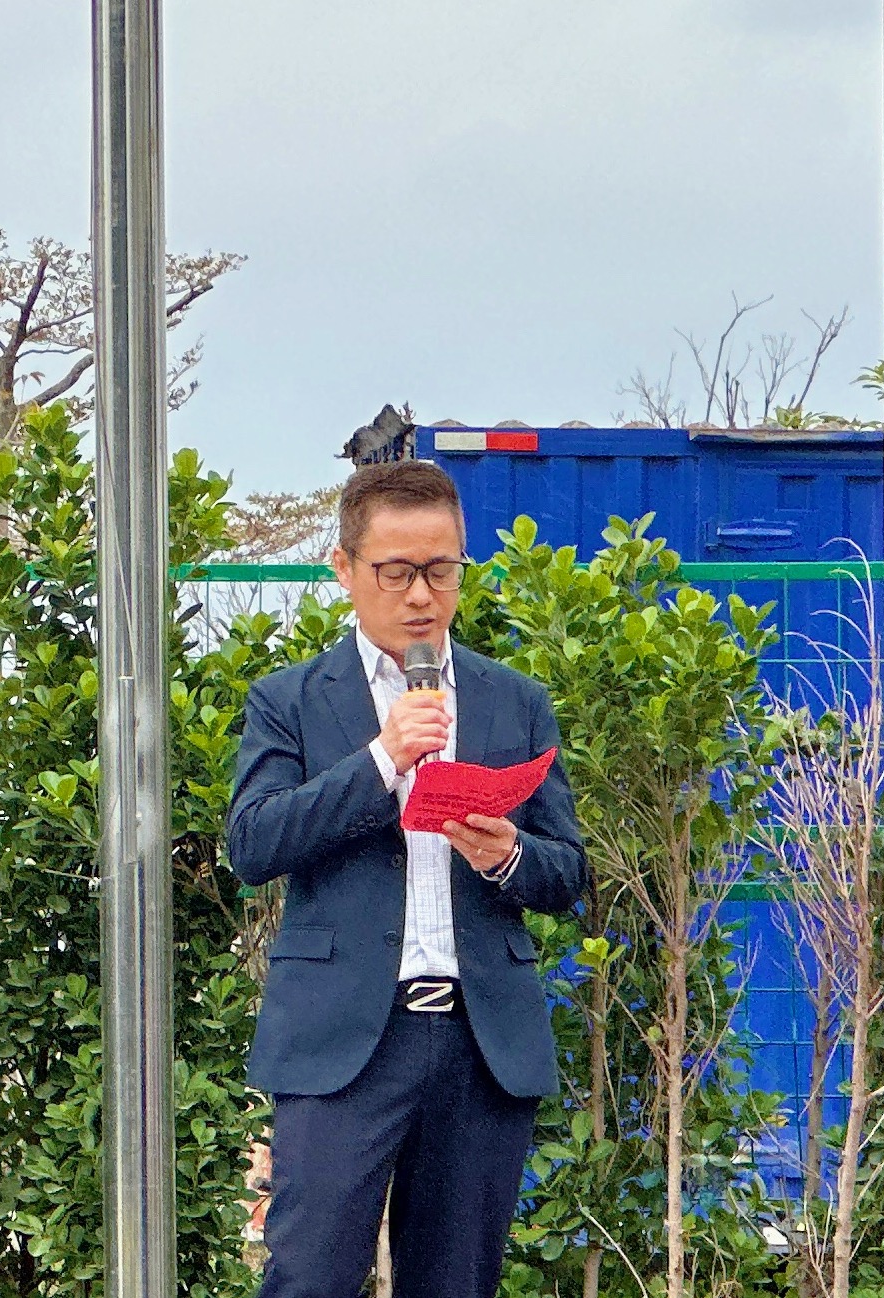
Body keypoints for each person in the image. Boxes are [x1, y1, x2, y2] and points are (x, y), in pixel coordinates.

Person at [227, 459, 588, 1298]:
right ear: (344, 568)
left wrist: (507, 854)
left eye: (442, 570)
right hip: (342, 1040)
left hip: (477, 1040)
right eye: (396, 572)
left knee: (456, 1282)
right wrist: (382, 759)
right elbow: (253, 842)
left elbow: (567, 871)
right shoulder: (290, 700)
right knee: (308, 1278)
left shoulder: (513, 700)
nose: (422, 595)